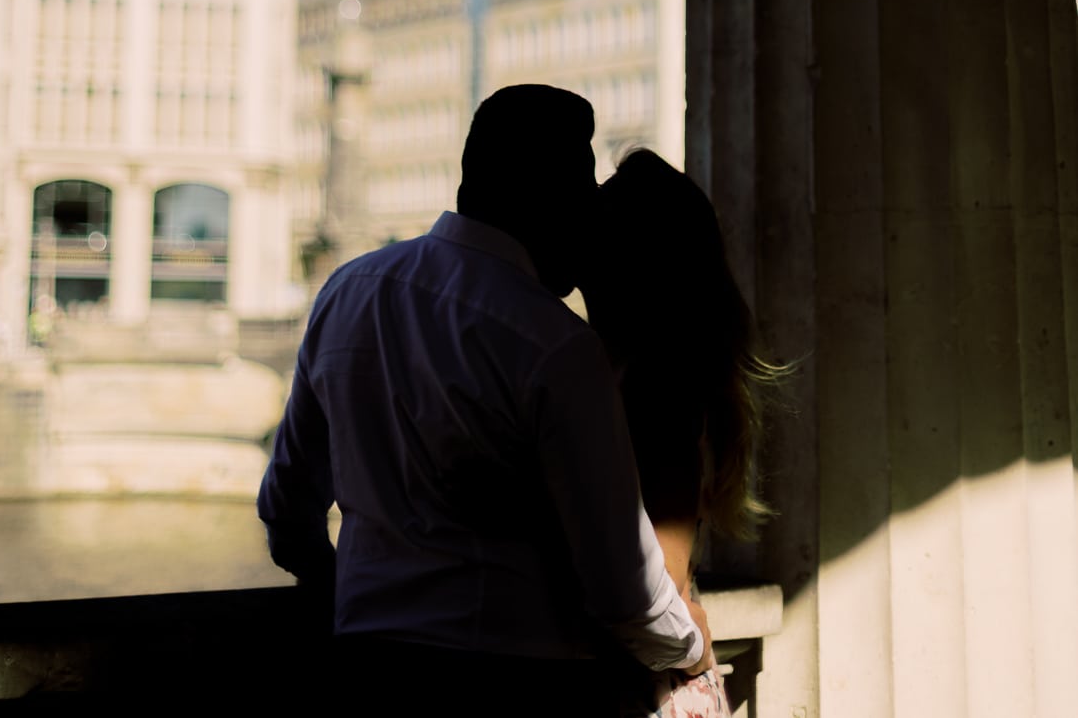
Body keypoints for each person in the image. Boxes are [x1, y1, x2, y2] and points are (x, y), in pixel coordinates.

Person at [258, 85, 711, 718]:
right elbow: (623, 591)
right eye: (582, 189)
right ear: (548, 196)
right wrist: (691, 645)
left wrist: (367, 598)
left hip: (362, 671)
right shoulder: (553, 343)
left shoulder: (347, 291)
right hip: (515, 682)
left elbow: (287, 517)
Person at [580, 148, 784, 718]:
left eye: (598, 236)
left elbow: (660, 586)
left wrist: (694, 650)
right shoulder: (628, 375)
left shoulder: (655, 388)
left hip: (647, 690)